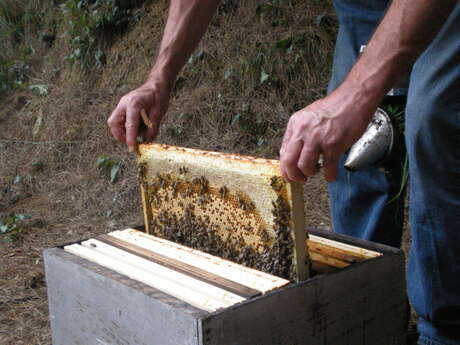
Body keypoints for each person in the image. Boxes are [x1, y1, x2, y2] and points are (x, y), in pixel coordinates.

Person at [107, 1, 460, 344]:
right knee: (350, 160)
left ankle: (445, 329)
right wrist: (159, 78)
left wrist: (353, 97)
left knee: (435, 126)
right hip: (364, 10)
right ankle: (367, 311)